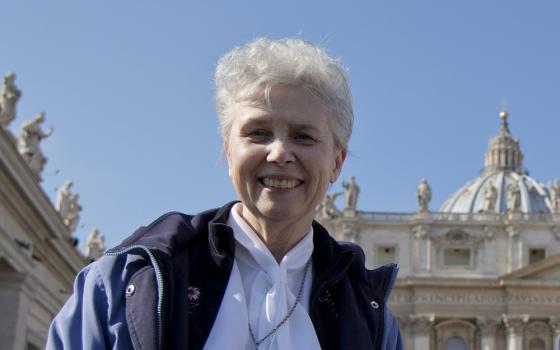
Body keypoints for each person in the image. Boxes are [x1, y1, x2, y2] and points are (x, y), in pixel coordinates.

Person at [46, 38, 402, 350]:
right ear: (228, 150)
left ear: (337, 163)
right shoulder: (124, 281)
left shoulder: (374, 319)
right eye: (258, 133)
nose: (279, 153)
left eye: (304, 136)